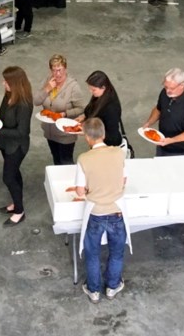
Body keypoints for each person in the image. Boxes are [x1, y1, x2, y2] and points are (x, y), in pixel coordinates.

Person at [76, 117, 129, 304]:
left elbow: (80, 190)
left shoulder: (83, 159)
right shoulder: (118, 153)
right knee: (116, 252)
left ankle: (93, 290)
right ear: (104, 133)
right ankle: (112, 287)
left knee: (92, 253)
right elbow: (123, 180)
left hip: (96, 213)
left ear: (86, 137)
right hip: (116, 211)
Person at [0, 66, 33, 227]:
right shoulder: (9, 94)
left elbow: (22, 132)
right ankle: (16, 203)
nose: (3, 83)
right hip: (6, 143)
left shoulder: (24, 104)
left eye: (7, 81)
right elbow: (2, 111)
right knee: (14, 173)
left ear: (16, 83)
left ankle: (19, 211)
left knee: (8, 177)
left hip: (16, 147)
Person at [35, 54, 85, 166]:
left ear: (65, 69)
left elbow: (81, 108)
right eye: (54, 70)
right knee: (56, 160)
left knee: (66, 163)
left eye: (60, 70)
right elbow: (36, 101)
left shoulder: (73, 87)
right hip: (50, 132)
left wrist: (65, 113)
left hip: (65, 134)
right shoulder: (47, 81)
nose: (57, 74)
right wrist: (47, 89)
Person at [140, 68, 184, 157]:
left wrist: (171, 140)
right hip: (162, 144)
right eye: (166, 87)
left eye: (172, 88)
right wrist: (149, 122)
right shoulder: (165, 93)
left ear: (182, 85)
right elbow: (158, 109)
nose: (168, 91)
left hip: (180, 151)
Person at [75, 71, 124, 148]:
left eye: (93, 90)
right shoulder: (100, 96)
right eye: (90, 89)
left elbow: (113, 138)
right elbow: (91, 109)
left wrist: (88, 131)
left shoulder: (111, 109)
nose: (90, 92)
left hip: (108, 148)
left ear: (103, 88)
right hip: (98, 144)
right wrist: (84, 116)